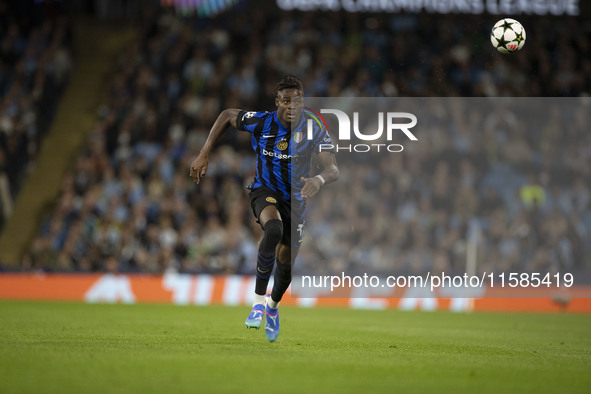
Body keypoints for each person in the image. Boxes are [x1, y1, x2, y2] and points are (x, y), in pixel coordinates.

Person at [190, 75, 339, 342]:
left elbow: (333, 169)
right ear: (277, 102)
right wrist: (204, 152)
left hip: (296, 199)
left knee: (286, 266)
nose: (292, 105)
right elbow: (226, 115)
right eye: (286, 100)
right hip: (265, 190)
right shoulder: (262, 121)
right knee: (272, 228)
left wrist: (318, 179)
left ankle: (272, 306)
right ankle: (258, 302)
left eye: (297, 100)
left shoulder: (314, 126)